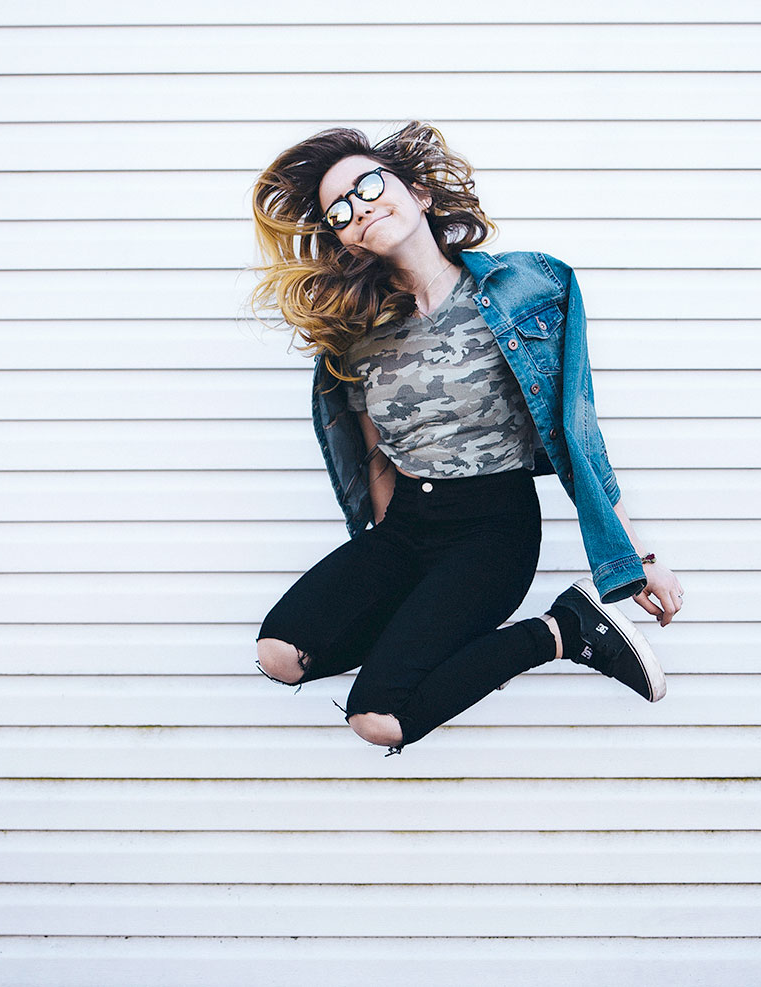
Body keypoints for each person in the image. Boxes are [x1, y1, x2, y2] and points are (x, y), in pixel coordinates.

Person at [248, 122, 683, 755]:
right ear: (344, 241)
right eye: (338, 212)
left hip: (492, 530)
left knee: (379, 720)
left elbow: (578, 434)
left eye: (369, 184)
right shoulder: (354, 333)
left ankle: (563, 631)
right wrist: (378, 557)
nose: (359, 208)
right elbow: (370, 454)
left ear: (419, 194)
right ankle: (446, 633)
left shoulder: (528, 289)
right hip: (407, 527)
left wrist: (634, 558)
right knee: (281, 653)